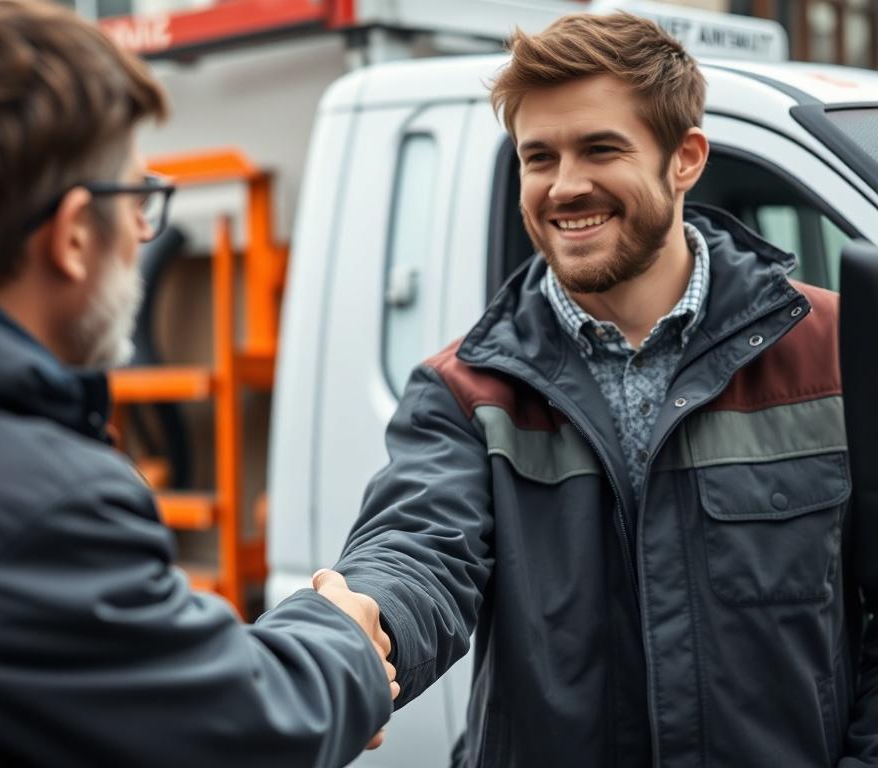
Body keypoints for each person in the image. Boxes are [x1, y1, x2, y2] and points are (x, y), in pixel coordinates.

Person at [315, 12, 874, 767]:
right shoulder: (467, 392)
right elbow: (416, 555)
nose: (565, 186)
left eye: (600, 149)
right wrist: (344, 638)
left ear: (686, 159)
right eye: (538, 156)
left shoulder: (839, 349)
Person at [0, 1, 396, 765]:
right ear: (75, 234)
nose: (146, 229)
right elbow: (252, 730)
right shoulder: (45, 506)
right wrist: (339, 639)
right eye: (134, 197)